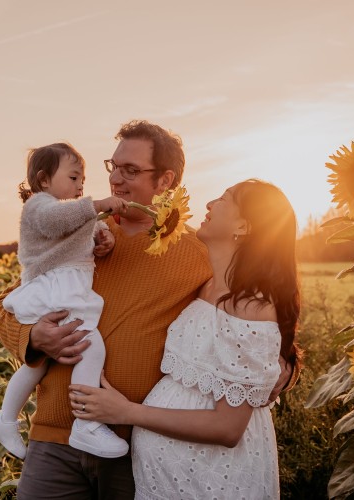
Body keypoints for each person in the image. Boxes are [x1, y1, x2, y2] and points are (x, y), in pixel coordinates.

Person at [0, 121, 296, 499]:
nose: (116, 179)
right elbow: (4, 307)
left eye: (130, 170)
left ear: (165, 180)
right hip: (56, 438)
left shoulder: (200, 254)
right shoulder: (81, 233)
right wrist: (34, 336)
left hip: (134, 445)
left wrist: (286, 369)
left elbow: (255, 328)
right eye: (113, 167)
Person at [69, 179, 302, 499]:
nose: (208, 205)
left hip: (214, 479)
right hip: (167, 480)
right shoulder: (205, 284)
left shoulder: (250, 306)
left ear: (244, 225)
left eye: (223, 199)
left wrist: (126, 412)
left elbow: (228, 428)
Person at [0, 142, 130, 459]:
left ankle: (5, 418)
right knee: (90, 344)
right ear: (44, 180)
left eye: (83, 181)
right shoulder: (39, 207)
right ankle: (85, 424)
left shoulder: (75, 212)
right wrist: (98, 205)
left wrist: (102, 238)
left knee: (39, 363)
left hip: (65, 287)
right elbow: (59, 220)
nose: (81, 187)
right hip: (54, 289)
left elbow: (85, 228)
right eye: (74, 178)